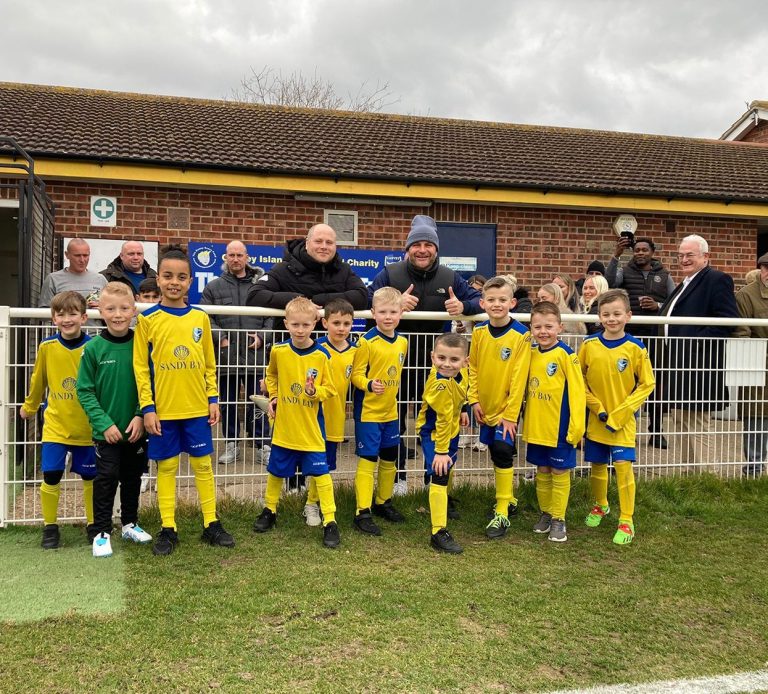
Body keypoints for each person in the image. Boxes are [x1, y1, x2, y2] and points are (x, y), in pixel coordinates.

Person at [368, 215, 482, 491]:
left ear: (436, 249)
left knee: (436, 423)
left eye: (428, 244)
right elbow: (366, 300)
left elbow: (479, 300)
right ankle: (397, 480)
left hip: (436, 365)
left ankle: (436, 480)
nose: (422, 249)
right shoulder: (390, 274)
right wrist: (396, 302)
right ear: (407, 248)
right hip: (395, 363)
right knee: (395, 425)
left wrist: (463, 307)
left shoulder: (450, 277)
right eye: (416, 244)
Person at [133, 245, 235, 556]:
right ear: (158, 279)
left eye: (181, 276)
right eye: (167, 276)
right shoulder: (147, 319)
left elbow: (208, 363)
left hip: (196, 409)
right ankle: (168, 527)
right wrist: (148, 408)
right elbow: (140, 368)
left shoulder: (200, 318)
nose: (174, 282)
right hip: (163, 411)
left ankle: (210, 523)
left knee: (203, 466)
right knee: (166, 468)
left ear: (190, 281)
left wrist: (213, 398)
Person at [252, 297, 341, 548]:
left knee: (321, 474)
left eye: (305, 324)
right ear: (286, 324)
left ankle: (330, 520)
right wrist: (275, 395)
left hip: (311, 428)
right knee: (276, 470)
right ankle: (269, 509)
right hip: (284, 426)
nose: (300, 330)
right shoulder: (279, 351)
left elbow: (331, 388)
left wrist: (315, 393)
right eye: (295, 325)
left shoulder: (322, 355)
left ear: (315, 324)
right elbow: (271, 375)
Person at [76, 282, 152, 558]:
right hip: (105, 432)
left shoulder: (141, 345)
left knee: (133, 477)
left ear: (134, 310)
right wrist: (103, 423)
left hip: (136, 429)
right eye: (111, 309)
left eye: (123, 309)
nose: (118, 314)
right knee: (106, 478)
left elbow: (150, 383)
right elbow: (84, 390)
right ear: (100, 311)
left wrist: (141, 415)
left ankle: (130, 523)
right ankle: (101, 532)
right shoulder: (94, 349)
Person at [578, 289, 655, 545]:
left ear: (628, 315)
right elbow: (580, 381)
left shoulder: (636, 348)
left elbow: (647, 384)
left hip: (622, 422)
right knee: (597, 467)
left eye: (617, 314)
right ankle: (601, 505)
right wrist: (596, 407)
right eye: (606, 314)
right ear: (599, 316)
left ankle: (626, 519)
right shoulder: (589, 345)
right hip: (597, 419)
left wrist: (622, 412)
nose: (611, 319)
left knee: (623, 469)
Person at [20, 291, 96, 549]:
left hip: (87, 427)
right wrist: (29, 406)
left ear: (84, 317)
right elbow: (38, 380)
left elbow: (102, 385)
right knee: (51, 474)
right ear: (53, 319)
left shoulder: (93, 347)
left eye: (73, 313)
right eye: (61, 314)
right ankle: (50, 527)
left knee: (90, 478)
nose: (67, 319)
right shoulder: (47, 347)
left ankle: (93, 525)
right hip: (55, 425)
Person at [658, 234, 739, 473]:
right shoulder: (685, 283)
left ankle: (706, 475)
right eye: (681, 255)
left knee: (698, 422)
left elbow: (728, 320)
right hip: (676, 364)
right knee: (681, 419)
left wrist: (694, 345)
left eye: (689, 255)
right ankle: (687, 473)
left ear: (705, 257)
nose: (684, 259)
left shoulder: (716, 280)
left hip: (698, 365)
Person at [468, 276, 531, 539]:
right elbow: (472, 367)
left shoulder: (521, 335)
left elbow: (519, 379)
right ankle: (508, 498)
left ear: (512, 302)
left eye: (502, 300)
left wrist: (510, 414)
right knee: (495, 453)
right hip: (485, 406)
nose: (497, 304)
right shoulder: (479, 332)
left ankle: (502, 510)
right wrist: (473, 400)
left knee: (504, 451)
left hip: (507, 411)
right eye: (491, 300)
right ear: (482, 303)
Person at [200, 240, 271, 466]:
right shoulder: (214, 287)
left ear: (247, 257)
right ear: (225, 258)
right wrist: (220, 337)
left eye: (240, 255)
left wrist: (263, 337)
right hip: (227, 357)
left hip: (254, 357)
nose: (236, 259)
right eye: (231, 255)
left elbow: (271, 316)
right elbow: (205, 317)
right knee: (228, 402)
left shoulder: (261, 285)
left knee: (258, 402)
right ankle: (232, 445)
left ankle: (263, 445)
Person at [522, 301, 586, 543]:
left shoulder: (567, 356)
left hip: (560, 427)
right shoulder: (530, 353)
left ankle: (559, 518)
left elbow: (579, 395)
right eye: (537, 327)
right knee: (542, 470)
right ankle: (546, 512)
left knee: (560, 470)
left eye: (549, 326)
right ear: (531, 328)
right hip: (537, 426)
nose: (543, 331)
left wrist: (577, 427)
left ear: (560, 327)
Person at [605, 236, 675, 449]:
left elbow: (673, 303)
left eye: (645, 249)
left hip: (654, 335)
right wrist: (616, 255)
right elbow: (609, 282)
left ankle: (656, 431)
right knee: (628, 382)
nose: (640, 253)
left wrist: (658, 305)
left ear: (652, 252)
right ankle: (629, 428)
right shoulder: (625, 272)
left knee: (655, 383)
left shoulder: (664, 275)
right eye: (637, 250)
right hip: (631, 335)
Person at [350, 286, 408, 536]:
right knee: (368, 459)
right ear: (373, 313)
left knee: (389, 457)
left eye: (393, 311)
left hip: (390, 412)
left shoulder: (403, 342)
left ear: (401, 313)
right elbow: (355, 375)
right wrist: (369, 384)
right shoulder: (367, 341)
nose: (388, 316)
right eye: (382, 311)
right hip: (369, 413)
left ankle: (384, 501)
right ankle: (361, 511)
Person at [246, 223, 368, 329]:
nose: (324, 247)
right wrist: (301, 302)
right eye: (318, 241)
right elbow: (254, 295)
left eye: (329, 242)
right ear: (307, 243)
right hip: (291, 348)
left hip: (332, 349)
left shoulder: (343, 270)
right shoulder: (284, 268)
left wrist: (318, 301)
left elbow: (361, 296)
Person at [303, 298, 356, 526]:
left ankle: (313, 501)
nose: (341, 328)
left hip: (336, 417)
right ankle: (311, 505)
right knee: (316, 463)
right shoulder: (317, 348)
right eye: (336, 323)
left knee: (326, 465)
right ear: (324, 323)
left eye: (346, 323)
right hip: (313, 416)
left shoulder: (356, 350)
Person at [416, 333, 470, 554]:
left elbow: (462, 393)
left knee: (447, 468)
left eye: (454, 360)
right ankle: (438, 532)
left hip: (452, 428)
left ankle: (444, 502)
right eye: (441, 358)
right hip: (434, 433)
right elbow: (443, 417)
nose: (446, 364)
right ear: (432, 357)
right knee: (440, 471)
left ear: (465, 362)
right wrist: (440, 451)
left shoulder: (462, 374)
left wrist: (464, 409)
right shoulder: (438, 384)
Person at [733, 253, 768, 476]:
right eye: (765, 268)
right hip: (759, 365)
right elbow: (741, 334)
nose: (767, 273)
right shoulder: (746, 295)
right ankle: (753, 470)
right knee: (757, 417)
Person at [39, 238, 107, 309]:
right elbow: (43, 313)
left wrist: (103, 308)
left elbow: (114, 309)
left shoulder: (100, 280)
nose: (82, 260)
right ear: (67, 255)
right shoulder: (53, 279)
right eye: (77, 255)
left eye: (85, 255)